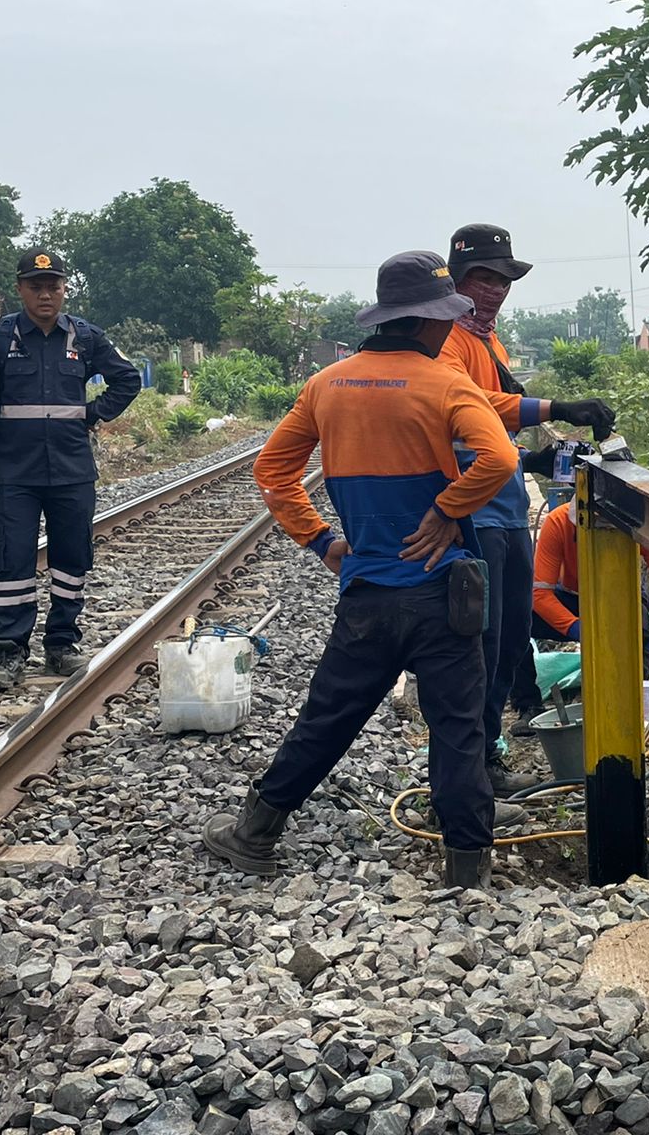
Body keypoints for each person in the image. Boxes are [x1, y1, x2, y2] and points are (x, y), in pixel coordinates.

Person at [202, 251, 517, 889]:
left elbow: (273, 472)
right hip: (442, 588)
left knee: (329, 717)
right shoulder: (446, 384)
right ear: (430, 323)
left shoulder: (328, 384)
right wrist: (449, 509)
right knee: (455, 725)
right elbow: (500, 459)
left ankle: (255, 832)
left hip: (368, 590)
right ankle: (466, 865)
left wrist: (322, 542)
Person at [438, 223, 615, 795]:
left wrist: (531, 463)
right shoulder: (448, 340)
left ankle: (489, 748)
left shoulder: (488, 341)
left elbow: (488, 425)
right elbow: (468, 404)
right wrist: (555, 406)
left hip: (507, 503)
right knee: (482, 640)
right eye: (482, 278)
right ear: (457, 279)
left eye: (503, 279)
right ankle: (475, 766)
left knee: (511, 637)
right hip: (475, 507)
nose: (494, 290)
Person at [0, 250, 141, 691]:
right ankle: (9, 652)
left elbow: (128, 379)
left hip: (71, 469)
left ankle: (62, 644)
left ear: (64, 289)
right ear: (20, 289)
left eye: (53, 286)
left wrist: (92, 413)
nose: (45, 294)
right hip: (15, 472)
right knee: (13, 559)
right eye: (35, 286)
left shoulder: (85, 337)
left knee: (72, 558)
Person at [530, 502, 649, 662]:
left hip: (623, 601)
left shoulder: (642, 528)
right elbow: (540, 594)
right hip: (572, 598)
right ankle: (522, 686)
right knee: (516, 615)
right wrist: (578, 629)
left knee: (636, 644)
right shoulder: (558, 522)